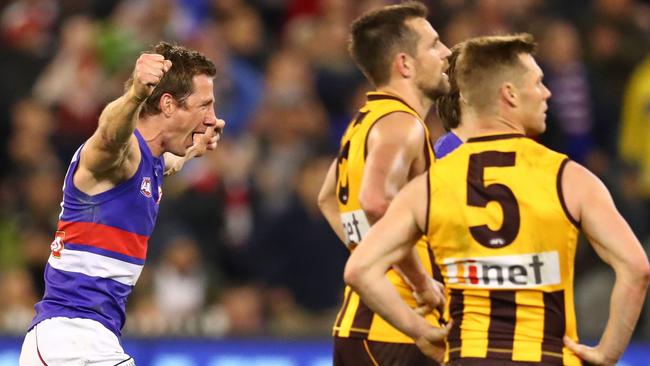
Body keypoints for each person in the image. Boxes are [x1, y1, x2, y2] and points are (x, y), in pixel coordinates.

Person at [344, 34, 650, 366]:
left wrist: (419, 330)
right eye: (538, 83)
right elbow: (637, 268)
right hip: (548, 357)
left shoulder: (430, 183)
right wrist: (607, 353)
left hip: (469, 356)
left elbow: (360, 270)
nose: (547, 93)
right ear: (510, 94)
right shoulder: (570, 178)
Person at [19, 42, 225, 365]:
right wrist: (135, 95)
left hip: (89, 340)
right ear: (168, 105)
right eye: (205, 106)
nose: (212, 119)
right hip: (70, 339)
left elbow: (170, 162)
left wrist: (197, 146)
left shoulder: (152, 162)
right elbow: (108, 136)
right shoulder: (121, 156)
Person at [317, 2, 450, 365]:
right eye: (434, 45)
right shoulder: (401, 125)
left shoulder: (364, 122)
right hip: (395, 334)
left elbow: (328, 198)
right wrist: (421, 282)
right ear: (404, 63)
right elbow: (376, 201)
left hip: (362, 330)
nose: (446, 53)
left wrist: (367, 252)